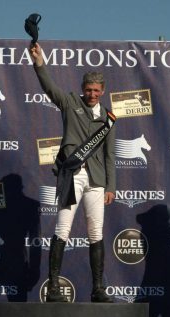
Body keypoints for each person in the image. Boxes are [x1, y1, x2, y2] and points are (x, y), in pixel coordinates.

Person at [29, 42, 116, 303]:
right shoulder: (68, 102)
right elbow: (48, 87)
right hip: (72, 176)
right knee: (63, 228)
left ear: (103, 92)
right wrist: (39, 62)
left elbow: (111, 156)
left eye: (96, 91)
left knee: (96, 232)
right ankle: (54, 287)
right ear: (82, 89)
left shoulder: (109, 119)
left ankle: (98, 289)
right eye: (88, 90)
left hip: (97, 180)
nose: (92, 94)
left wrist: (111, 186)